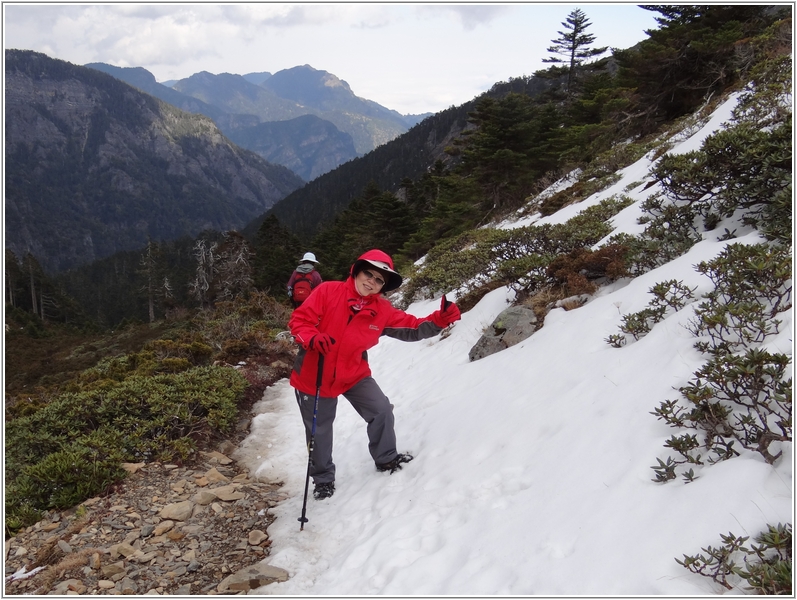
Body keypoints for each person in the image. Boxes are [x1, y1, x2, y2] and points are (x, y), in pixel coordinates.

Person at [288, 249, 461, 500]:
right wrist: (312, 336)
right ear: (356, 271)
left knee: (381, 410)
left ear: (383, 286)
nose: (371, 281)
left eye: (379, 280)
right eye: (368, 274)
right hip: (315, 373)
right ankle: (323, 479)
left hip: (354, 372)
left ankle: (386, 459)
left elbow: (412, 327)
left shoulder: (382, 310)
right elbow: (299, 320)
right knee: (319, 431)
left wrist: (440, 319)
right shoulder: (328, 291)